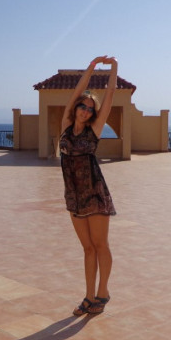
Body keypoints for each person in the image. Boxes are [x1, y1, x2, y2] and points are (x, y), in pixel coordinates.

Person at [59, 55, 118, 316]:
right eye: (82, 106)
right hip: (74, 196)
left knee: (100, 244)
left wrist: (113, 68)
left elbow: (109, 96)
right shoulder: (65, 127)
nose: (85, 110)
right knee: (87, 248)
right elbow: (76, 92)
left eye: (90, 109)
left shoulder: (93, 131)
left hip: (94, 193)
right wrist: (91, 68)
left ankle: (102, 292)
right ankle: (88, 296)